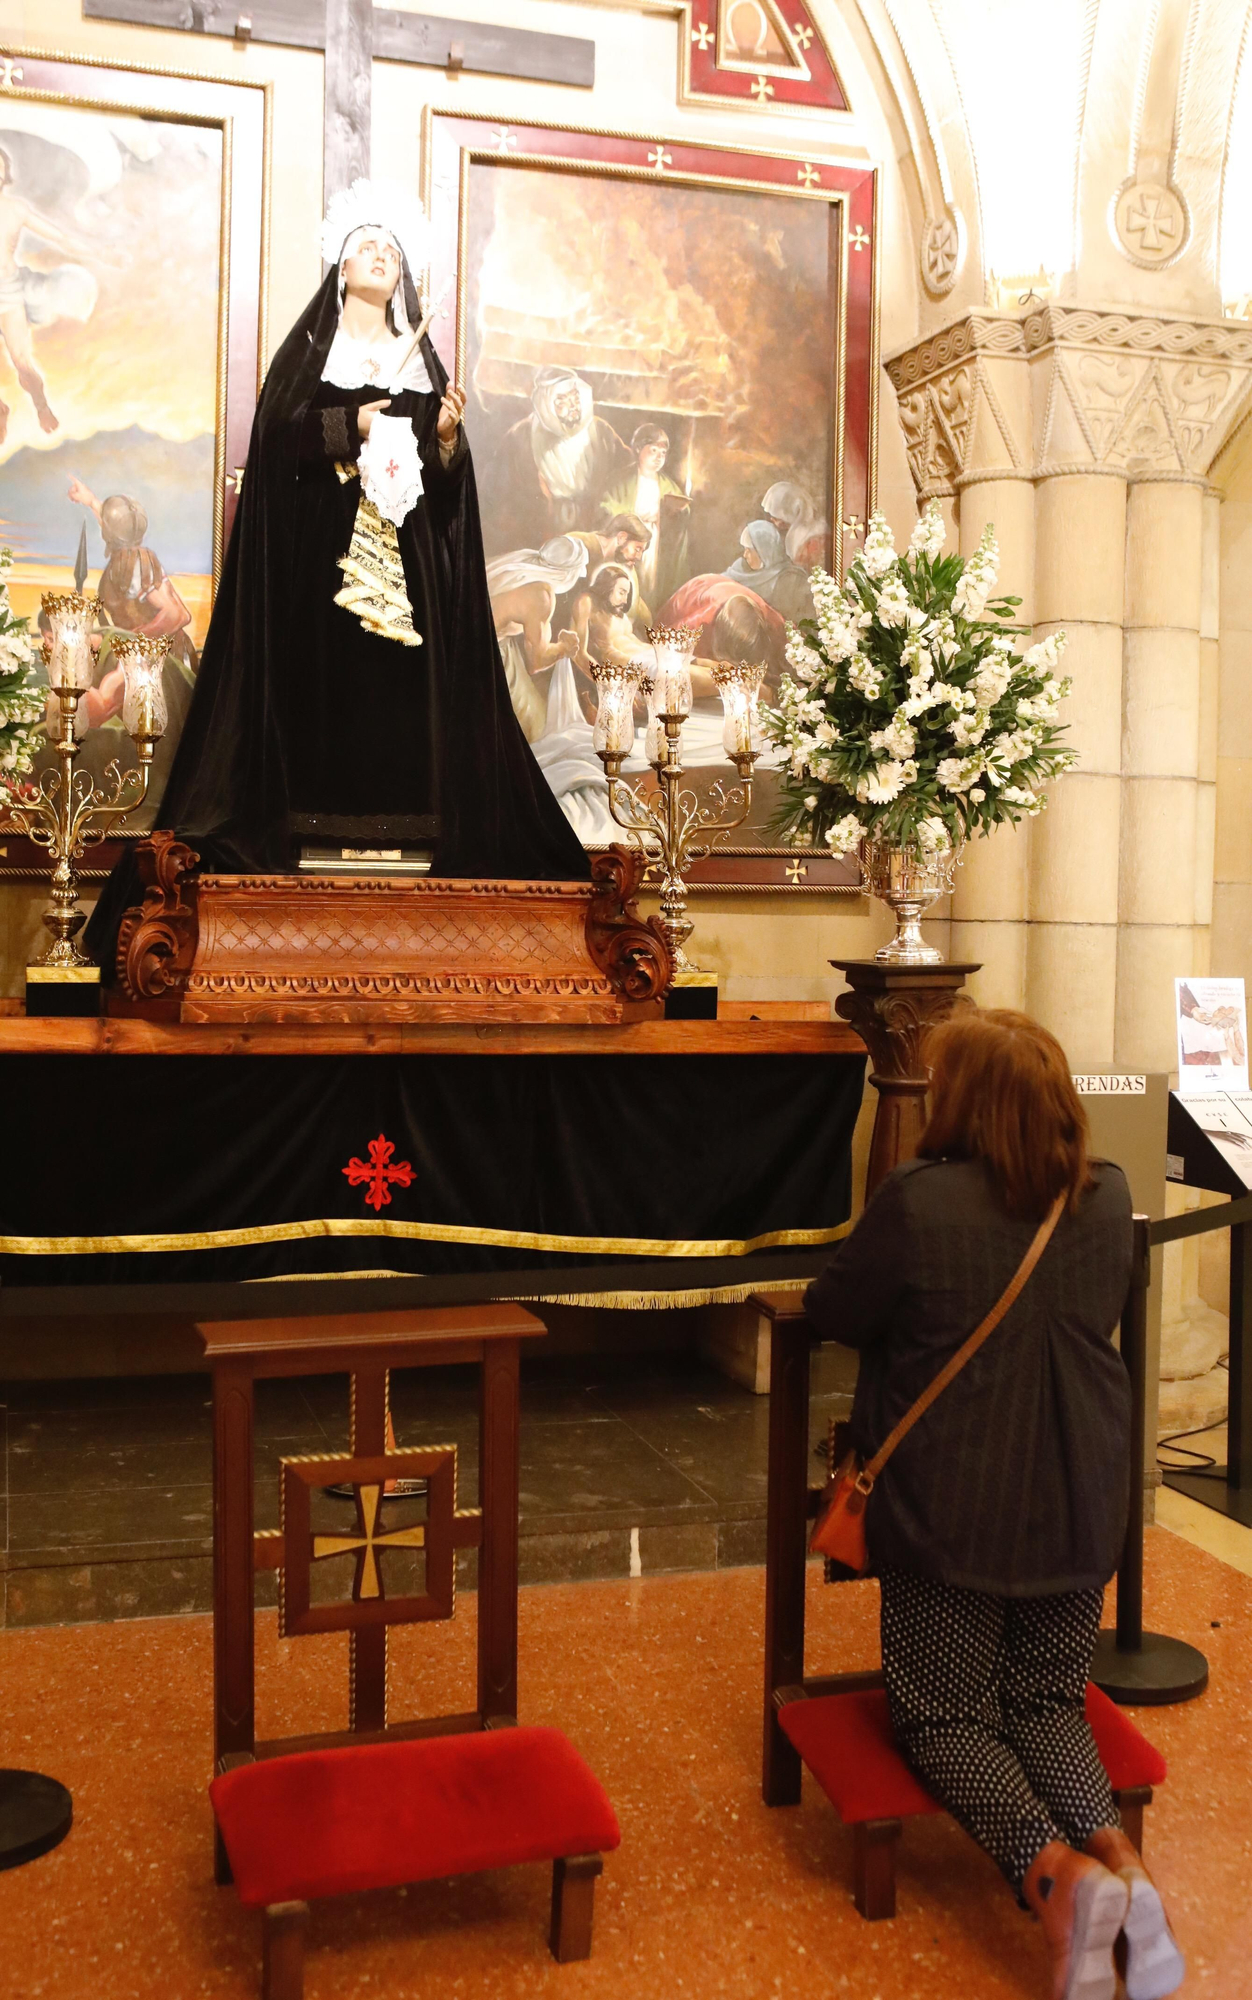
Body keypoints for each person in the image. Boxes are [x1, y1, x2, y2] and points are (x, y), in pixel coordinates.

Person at [85, 179, 586, 972]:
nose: (379, 255)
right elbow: (279, 439)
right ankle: (313, 830)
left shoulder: (420, 361)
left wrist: (447, 438)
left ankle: (413, 839)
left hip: (411, 569)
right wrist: (346, 423)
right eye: (366, 247)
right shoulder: (309, 354)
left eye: (391, 249)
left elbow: (451, 495)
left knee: (405, 696)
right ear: (342, 268)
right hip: (322, 563)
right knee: (327, 689)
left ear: (403, 274)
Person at [805, 1010, 1185, 2000]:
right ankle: (1124, 1869)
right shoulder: (1106, 1196)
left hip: (952, 1507)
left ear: (961, 1101)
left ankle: (1054, 1877)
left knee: (940, 1715)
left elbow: (835, 1307)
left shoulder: (921, 1201)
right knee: (1046, 1697)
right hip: (1080, 1493)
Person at [0, 142, 100, 440]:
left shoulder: (15, 209)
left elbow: (60, 237)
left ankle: (41, 406)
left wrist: (101, 253)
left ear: (5, 173)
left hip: (7, 292)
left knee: (22, 362)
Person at [499, 366, 630, 542]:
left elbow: (627, 473)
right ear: (545, 404)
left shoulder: (601, 431)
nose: (573, 405)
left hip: (594, 529)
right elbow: (502, 497)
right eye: (562, 401)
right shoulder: (521, 436)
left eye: (575, 397)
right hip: (541, 533)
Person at [485, 534, 586, 743]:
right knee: (533, 725)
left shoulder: (520, 564)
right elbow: (536, 662)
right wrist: (564, 647)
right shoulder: (542, 594)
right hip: (487, 653)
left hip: (495, 645)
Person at [599, 424, 690, 608]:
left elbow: (681, 515)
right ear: (639, 448)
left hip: (653, 544)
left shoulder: (667, 484)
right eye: (653, 450)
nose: (658, 457)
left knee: (648, 584)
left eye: (663, 453)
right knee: (626, 580)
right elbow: (605, 506)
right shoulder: (621, 479)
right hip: (627, 540)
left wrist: (678, 512)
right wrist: (629, 521)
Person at [723, 518, 812, 622]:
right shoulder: (739, 570)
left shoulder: (792, 580)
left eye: (749, 550)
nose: (745, 555)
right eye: (745, 550)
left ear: (764, 552)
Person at [761, 479, 828, 568]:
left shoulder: (812, 538)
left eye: (777, 517)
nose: (773, 520)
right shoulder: (797, 535)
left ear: (790, 512)